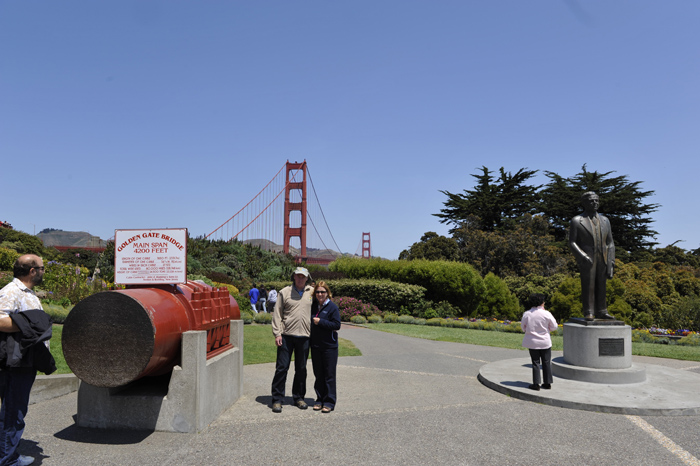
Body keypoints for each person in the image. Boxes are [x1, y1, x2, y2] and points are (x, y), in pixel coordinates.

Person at [0, 254, 56, 466]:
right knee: (13, 411)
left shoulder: (27, 293)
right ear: (32, 271)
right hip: (16, 362)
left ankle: (8, 454)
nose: (43, 271)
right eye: (42, 268)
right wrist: (28, 324)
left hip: (27, 359)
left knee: (16, 410)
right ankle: (7, 460)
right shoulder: (11, 291)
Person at [270, 267, 314, 413]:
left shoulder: (312, 292)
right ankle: (277, 399)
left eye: (303, 276)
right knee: (282, 368)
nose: (300, 279)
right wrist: (277, 333)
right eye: (298, 276)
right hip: (287, 336)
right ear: (294, 277)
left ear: (307, 278)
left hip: (304, 336)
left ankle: (299, 397)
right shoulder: (284, 292)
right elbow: (277, 313)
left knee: (301, 369)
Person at [569, 191, 616, 320]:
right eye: (591, 201)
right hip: (587, 258)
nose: (595, 203)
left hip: (603, 258)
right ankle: (589, 311)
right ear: (584, 203)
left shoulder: (605, 220)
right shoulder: (577, 221)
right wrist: (582, 256)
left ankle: (602, 310)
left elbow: (610, 242)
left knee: (602, 285)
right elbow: (572, 242)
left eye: (596, 200)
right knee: (588, 285)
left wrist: (611, 260)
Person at [310, 281, 341, 413]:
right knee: (319, 374)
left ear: (327, 293)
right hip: (316, 346)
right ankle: (319, 399)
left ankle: (329, 401)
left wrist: (321, 322)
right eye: (318, 292)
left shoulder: (332, 307)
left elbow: (336, 325)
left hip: (329, 347)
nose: (320, 294)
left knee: (329, 375)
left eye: (323, 292)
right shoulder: (313, 306)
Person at [521, 293, 558, 391]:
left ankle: (536, 384)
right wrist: (547, 329)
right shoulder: (546, 314)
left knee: (535, 363)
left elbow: (523, 327)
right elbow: (554, 326)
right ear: (542, 302)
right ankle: (547, 383)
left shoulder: (527, 314)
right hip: (545, 341)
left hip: (532, 342)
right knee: (546, 362)